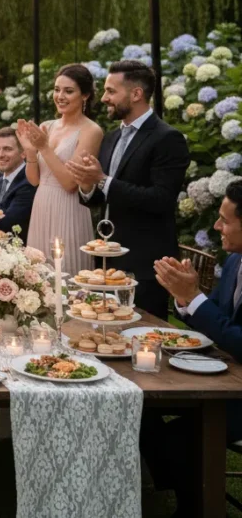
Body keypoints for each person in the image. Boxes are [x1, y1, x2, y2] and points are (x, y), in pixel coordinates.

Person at [140, 180, 242, 510]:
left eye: (225, 220)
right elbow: (220, 318)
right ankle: (186, 489)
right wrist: (186, 298)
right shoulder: (235, 262)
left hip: (237, 393)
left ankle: (195, 504)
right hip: (224, 374)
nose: (216, 225)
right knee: (138, 410)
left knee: (180, 441)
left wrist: (194, 298)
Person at [68, 60, 190, 320]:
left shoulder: (167, 138)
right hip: (107, 262)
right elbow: (100, 197)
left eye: (111, 91)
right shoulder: (111, 137)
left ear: (136, 94)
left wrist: (102, 179)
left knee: (141, 336)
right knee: (102, 331)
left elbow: (161, 199)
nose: (103, 98)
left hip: (144, 263)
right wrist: (87, 184)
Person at [16, 64, 103, 275]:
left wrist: (44, 147)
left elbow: (70, 183)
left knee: (67, 276)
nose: (60, 96)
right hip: (42, 205)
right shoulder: (49, 125)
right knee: (38, 278)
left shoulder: (91, 130)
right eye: (57, 90)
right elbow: (35, 180)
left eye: (68, 91)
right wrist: (29, 152)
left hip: (69, 208)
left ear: (85, 95)